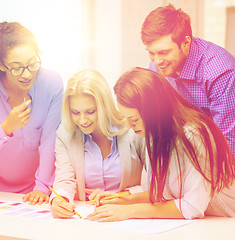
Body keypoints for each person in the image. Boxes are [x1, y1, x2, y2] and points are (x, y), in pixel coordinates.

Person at [87, 67, 235, 222]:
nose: (129, 126)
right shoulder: (153, 133)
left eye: (134, 119)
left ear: (153, 111)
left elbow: (192, 207)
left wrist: (129, 211)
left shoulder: (194, 134)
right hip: (206, 223)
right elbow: (163, 193)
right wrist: (122, 199)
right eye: (125, 118)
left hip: (227, 222)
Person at [0, 22, 63, 205]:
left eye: (32, 64)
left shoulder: (52, 84)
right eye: (16, 67)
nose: (27, 74)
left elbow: (50, 141)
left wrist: (42, 186)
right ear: (1, 65)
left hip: (35, 189)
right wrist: (6, 128)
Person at [140, 4, 235, 156]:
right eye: (151, 53)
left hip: (220, 158)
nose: (157, 61)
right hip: (186, 154)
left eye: (164, 52)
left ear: (186, 43)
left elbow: (229, 144)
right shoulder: (158, 64)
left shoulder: (220, 73)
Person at [50, 69, 146, 218]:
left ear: (104, 106)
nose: (82, 120)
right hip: (88, 219)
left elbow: (156, 185)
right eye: (75, 112)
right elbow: (64, 179)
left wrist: (122, 197)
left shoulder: (133, 129)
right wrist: (60, 199)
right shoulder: (65, 134)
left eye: (90, 111)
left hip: (128, 216)